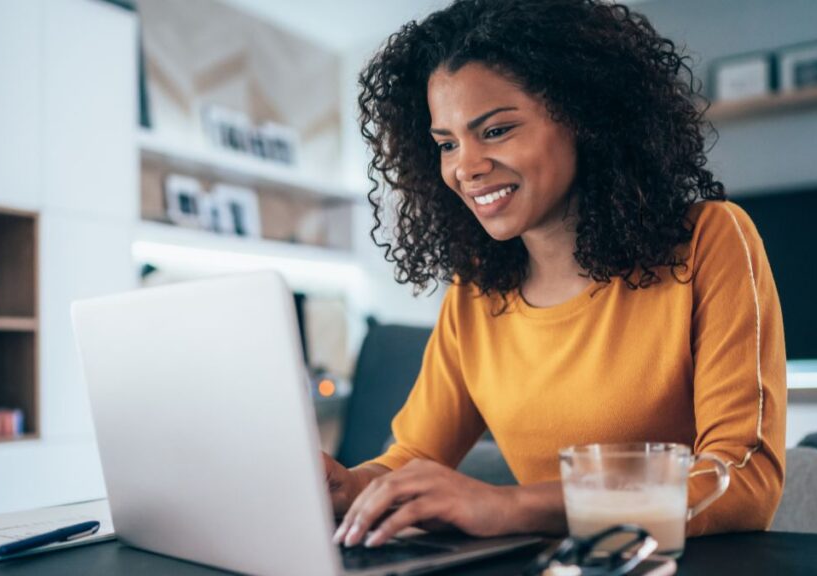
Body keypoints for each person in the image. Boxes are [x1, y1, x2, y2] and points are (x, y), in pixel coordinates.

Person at [324, 0, 786, 549]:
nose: (464, 167)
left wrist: (508, 505)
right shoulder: (476, 289)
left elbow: (743, 481)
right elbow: (412, 458)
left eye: (495, 130)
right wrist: (349, 487)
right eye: (446, 143)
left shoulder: (710, 241)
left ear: (583, 116)